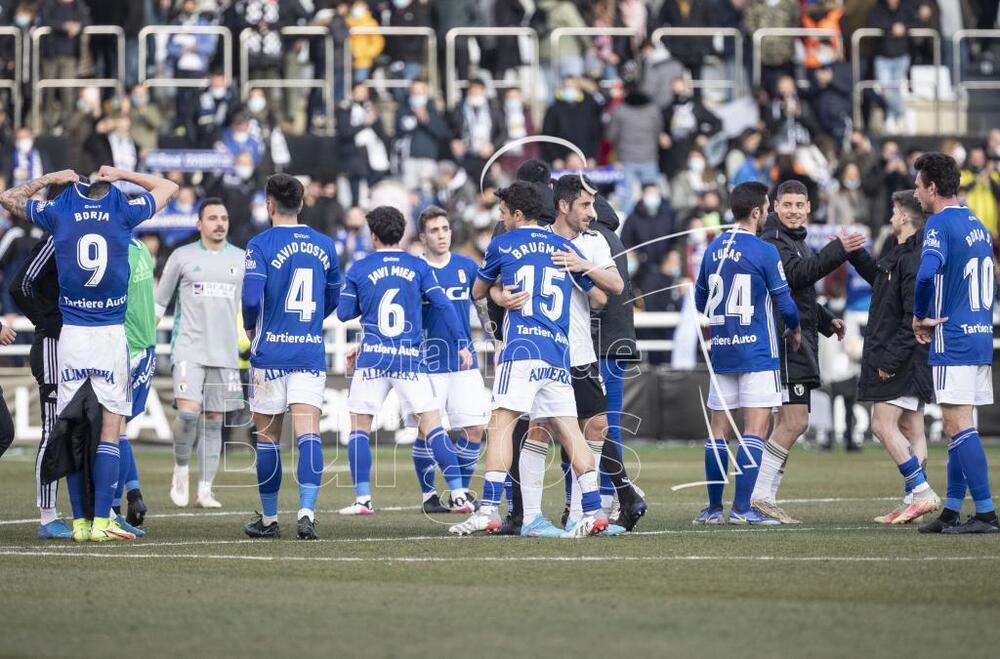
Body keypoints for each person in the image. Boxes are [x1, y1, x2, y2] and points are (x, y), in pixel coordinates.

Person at [0, 166, 178, 542]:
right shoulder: (123, 212)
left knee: (71, 429)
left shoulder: (59, 212)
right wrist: (122, 174)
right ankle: (103, 521)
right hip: (110, 335)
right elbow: (168, 186)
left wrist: (49, 179)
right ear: (110, 190)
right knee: (110, 432)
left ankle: (79, 523)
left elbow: (9, 199)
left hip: (72, 336)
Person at [448, 181, 608, 538]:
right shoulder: (563, 247)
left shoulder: (503, 244)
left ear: (517, 214)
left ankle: (488, 509)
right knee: (571, 432)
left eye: (503, 213)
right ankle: (595, 510)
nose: (501, 219)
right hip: (557, 351)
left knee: (500, 423)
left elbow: (476, 291)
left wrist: (499, 295)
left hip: (521, 349)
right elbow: (598, 296)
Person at [505, 175, 639, 536]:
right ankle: (531, 516)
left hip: (580, 350)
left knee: (596, 426)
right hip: (544, 351)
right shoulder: (538, 240)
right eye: (585, 205)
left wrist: (584, 266)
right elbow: (501, 286)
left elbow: (613, 288)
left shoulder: (593, 242)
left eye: (593, 205)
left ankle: (583, 515)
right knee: (539, 430)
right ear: (563, 205)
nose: (592, 213)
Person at [336, 206, 474, 516]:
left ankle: (363, 500)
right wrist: (463, 344)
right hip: (410, 358)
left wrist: (367, 299)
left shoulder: (359, 268)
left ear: (373, 236)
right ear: (403, 232)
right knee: (433, 426)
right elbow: (444, 305)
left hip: (372, 358)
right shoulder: (418, 266)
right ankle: (460, 495)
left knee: (359, 428)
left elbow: (344, 313)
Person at [749, 180, 864, 524]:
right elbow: (797, 277)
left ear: (810, 208)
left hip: (797, 339)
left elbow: (800, 294)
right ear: (775, 207)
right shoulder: (773, 241)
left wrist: (827, 321)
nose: (794, 211)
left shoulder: (792, 241)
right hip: (786, 342)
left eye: (800, 205)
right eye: (788, 205)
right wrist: (839, 251)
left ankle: (759, 498)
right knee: (794, 422)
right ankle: (759, 497)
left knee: (787, 422)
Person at [692, 182, 802, 525]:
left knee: (718, 431)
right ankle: (742, 509)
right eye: (767, 208)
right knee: (755, 430)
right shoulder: (764, 250)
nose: (768, 213)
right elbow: (785, 303)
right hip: (757, 351)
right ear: (757, 212)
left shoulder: (713, 248)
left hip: (723, 351)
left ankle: (712, 509)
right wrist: (794, 328)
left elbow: (699, 300)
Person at [241, 174, 342, 540]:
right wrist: (312, 322)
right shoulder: (324, 244)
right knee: (308, 435)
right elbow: (333, 297)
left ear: (270, 205)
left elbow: (251, 299)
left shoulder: (259, 245)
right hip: (308, 350)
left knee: (268, 439)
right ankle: (307, 512)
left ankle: (269, 520)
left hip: (270, 352)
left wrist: (251, 327)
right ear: (301, 204)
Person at [911, 153, 998, 534]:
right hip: (980, 334)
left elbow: (925, 273)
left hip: (954, 336)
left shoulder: (939, 223)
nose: (915, 192)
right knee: (961, 427)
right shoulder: (974, 220)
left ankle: (986, 513)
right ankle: (950, 511)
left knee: (956, 424)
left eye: (918, 185)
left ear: (932, 188)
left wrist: (920, 314)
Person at [851, 190, 940, 525]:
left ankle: (921, 492)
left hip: (903, 355)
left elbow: (911, 318)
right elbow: (881, 283)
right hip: (907, 354)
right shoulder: (902, 252)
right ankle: (912, 501)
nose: (890, 216)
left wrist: (889, 361)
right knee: (911, 427)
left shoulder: (914, 258)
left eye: (893, 211)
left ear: (903, 217)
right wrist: (854, 254)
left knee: (881, 425)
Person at [155, 198, 246, 509]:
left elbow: (250, 308)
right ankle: (181, 469)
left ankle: (205, 489)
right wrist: (142, 342)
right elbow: (159, 303)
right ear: (199, 224)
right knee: (189, 414)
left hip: (225, 354)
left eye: (223, 217)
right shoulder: (182, 256)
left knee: (214, 420)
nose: (219, 223)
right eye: (212, 218)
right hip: (189, 349)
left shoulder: (242, 260)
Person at [407, 206, 492, 513]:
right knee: (426, 430)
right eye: (434, 230)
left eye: (445, 229)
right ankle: (429, 496)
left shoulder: (466, 266)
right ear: (422, 236)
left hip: (464, 361)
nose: (441, 235)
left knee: (474, 429)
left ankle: (462, 493)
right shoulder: (414, 270)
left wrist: (495, 339)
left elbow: (481, 307)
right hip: (427, 362)